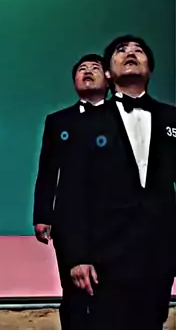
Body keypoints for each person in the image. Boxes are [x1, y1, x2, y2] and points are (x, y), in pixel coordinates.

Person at [61, 35, 176, 330]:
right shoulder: (85, 123)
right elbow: (72, 192)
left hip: (159, 252)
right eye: (121, 50)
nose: (130, 53)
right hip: (105, 254)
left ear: (150, 69)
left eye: (139, 50)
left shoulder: (172, 118)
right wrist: (77, 256)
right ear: (109, 74)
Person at [33, 54, 108, 329]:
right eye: (81, 69)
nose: (87, 71)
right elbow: (47, 170)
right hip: (69, 217)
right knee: (74, 293)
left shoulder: (123, 118)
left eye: (95, 68)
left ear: (109, 78)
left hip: (114, 218)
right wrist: (42, 215)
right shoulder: (58, 121)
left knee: (110, 292)